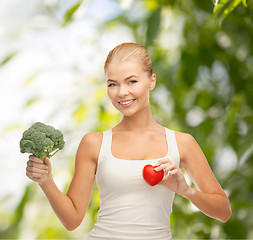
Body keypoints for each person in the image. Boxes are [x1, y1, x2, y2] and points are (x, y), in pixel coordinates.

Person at [26, 42, 232, 239]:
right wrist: (46, 181)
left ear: (152, 81)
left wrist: (186, 191)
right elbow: (72, 220)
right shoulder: (94, 144)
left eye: (132, 81)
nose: (122, 92)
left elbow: (223, 211)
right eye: (113, 84)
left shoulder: (182, 143)